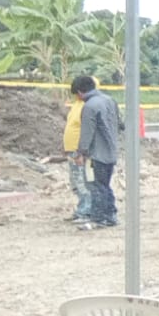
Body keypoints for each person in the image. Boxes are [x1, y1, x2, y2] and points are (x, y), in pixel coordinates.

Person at [71, 74, 121, 229]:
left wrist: (80, 153)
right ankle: (110, 215)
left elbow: (87, 133)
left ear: (80, 92)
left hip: (96, 154)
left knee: (95, 185)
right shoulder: (110, 100)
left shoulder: (90, 106)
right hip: (111, 151)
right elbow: (121, 124)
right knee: (105, 185)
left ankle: (99, 218)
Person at [62, 84, 93, 227]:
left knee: (83, 183)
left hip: (79, 151)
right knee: (75, 183)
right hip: (72, 151)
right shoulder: (76, 105)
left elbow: (86, 131)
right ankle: (82, 209)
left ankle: (86, 212)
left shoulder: (86, 107)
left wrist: (82, 152)